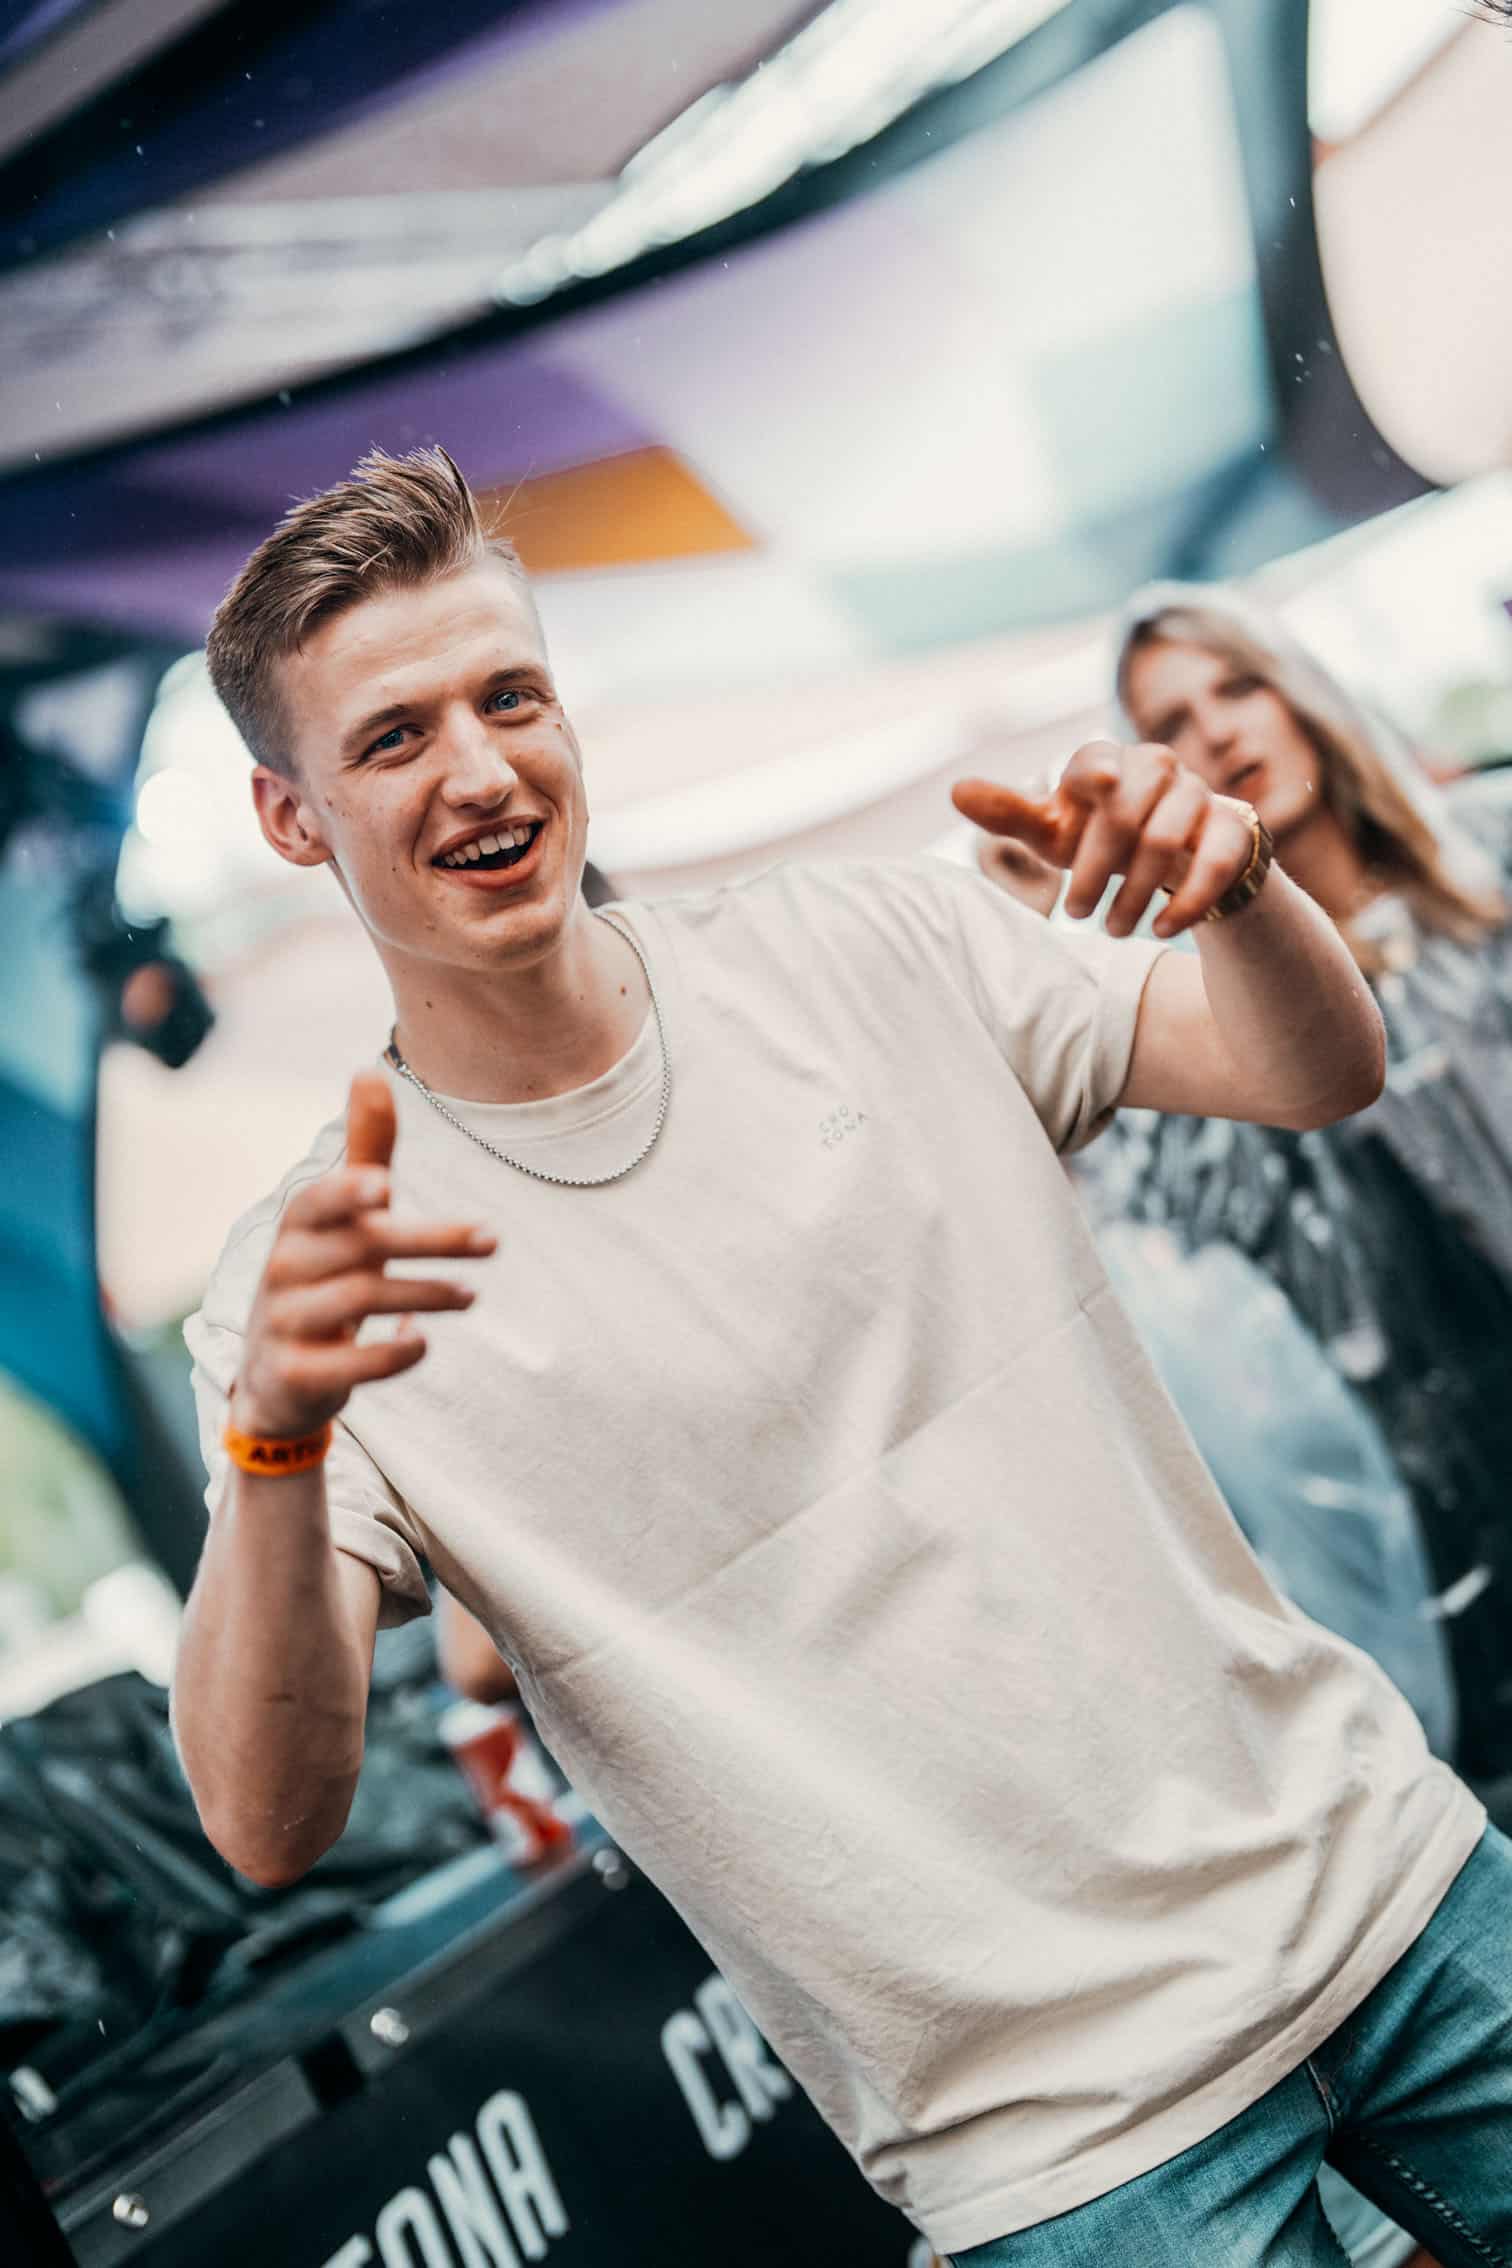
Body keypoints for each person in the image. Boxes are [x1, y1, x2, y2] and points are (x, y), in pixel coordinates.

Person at [172, 450, 1512, 2266]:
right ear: (290, 817)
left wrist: (1243, 892)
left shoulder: (857, 942)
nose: (481, 770)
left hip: (1391, 1888)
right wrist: (275, 1444)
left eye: (510, 697)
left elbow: (1314, 1070)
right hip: (1065, 2144)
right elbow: (265, 1821)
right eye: (396, 736)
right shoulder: (307, 1277)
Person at [1101, 583, 1512, 1809]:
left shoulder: (1494, 859)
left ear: (1304, 693)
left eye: (1239, 686)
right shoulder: (1204, 1041)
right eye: (1171, 725)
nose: (1219, 733)